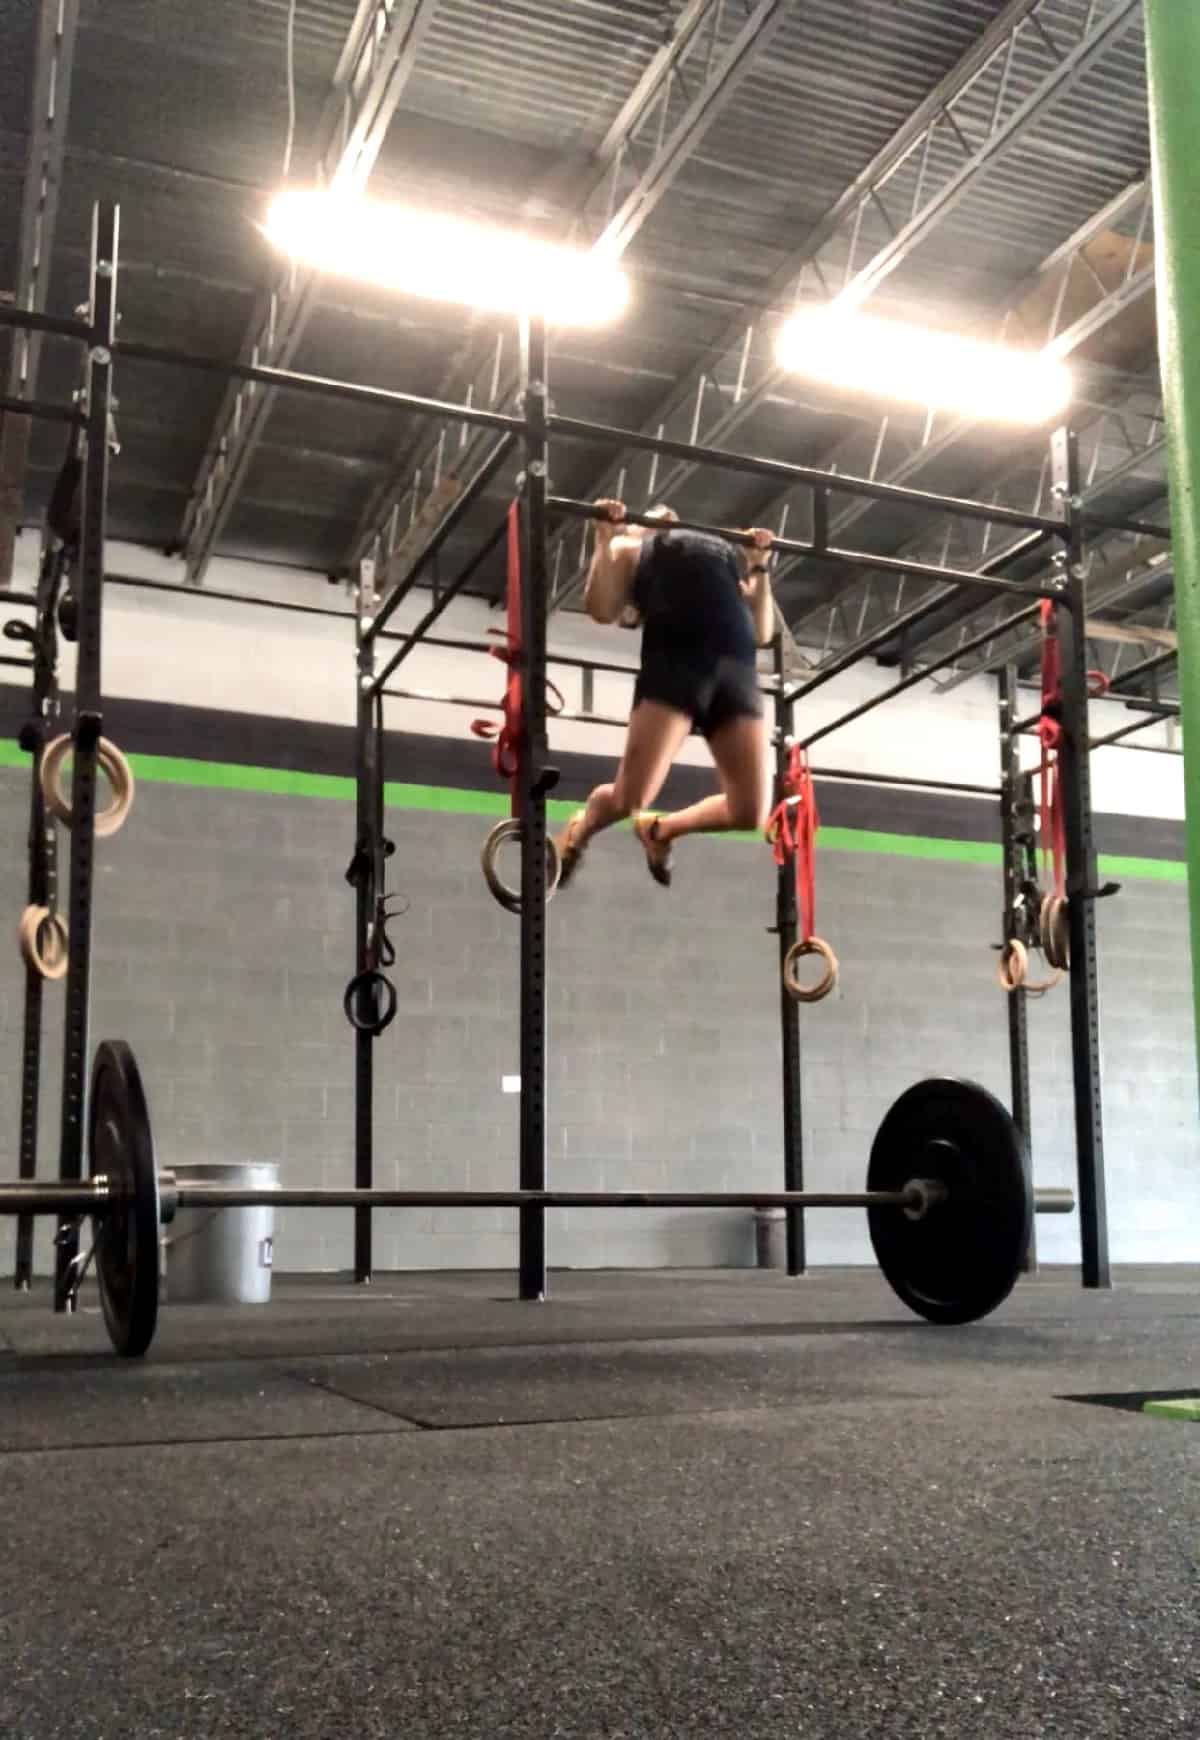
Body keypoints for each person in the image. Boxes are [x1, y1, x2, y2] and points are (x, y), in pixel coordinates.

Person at [553, 500, 775, 889]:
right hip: (675, 665)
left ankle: (661, 830)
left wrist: (758, 564)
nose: (666, 513)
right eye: (652, 516)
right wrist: (604, 539)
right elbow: (602, 609)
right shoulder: (632, 546)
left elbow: (761, 633)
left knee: (750, 812)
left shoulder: (721, 557)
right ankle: (584, 826)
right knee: (630, 797)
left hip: (736, 672)